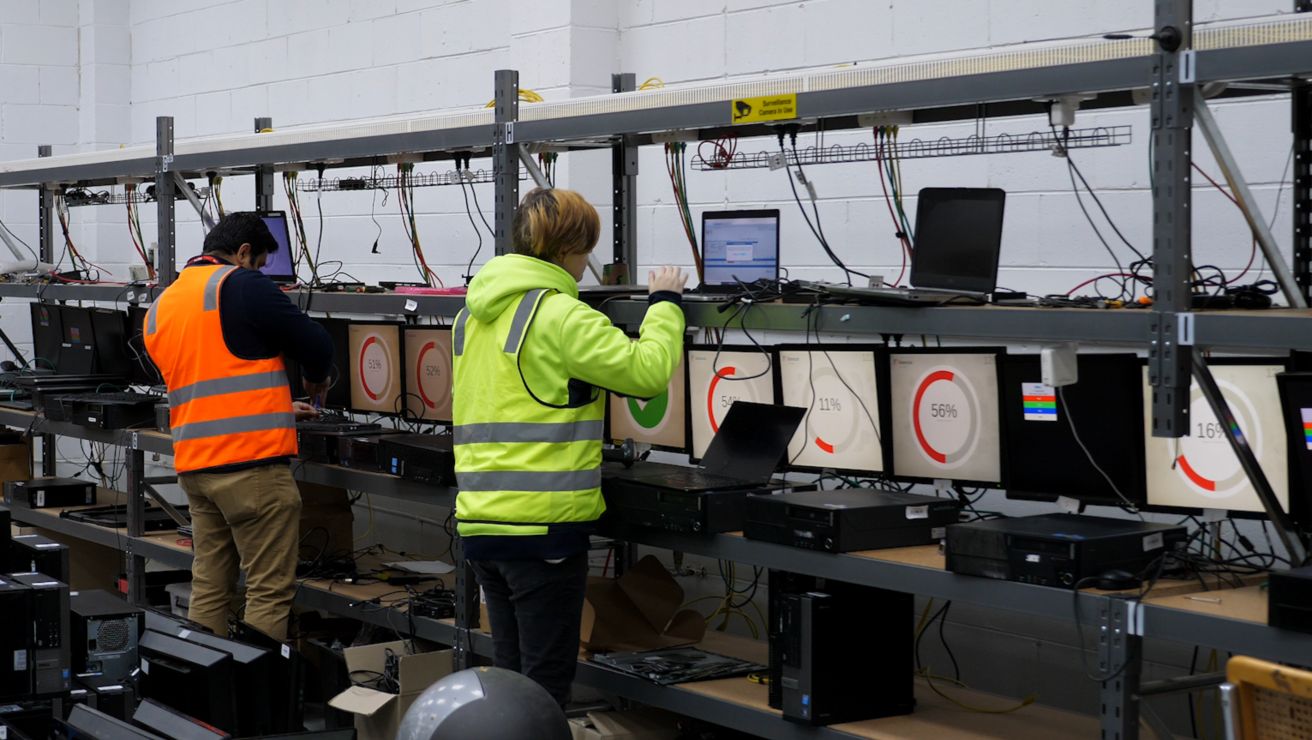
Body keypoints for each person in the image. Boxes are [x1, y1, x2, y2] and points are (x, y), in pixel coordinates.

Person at [452, 188, 688, 705]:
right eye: (586, 251)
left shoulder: (471, 315)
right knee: (545, 688)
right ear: (565, 249)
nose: (586, 264)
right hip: (544, 533)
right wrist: (665, 305)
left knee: (511, 685)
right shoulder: (561, 315)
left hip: (482, 524)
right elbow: (647, 372)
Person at [144, 212, 334, 640]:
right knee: (268, 591)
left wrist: (277, 405)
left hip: (196, 468)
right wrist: (316, 379)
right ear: (244, 253)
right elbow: (317, 344)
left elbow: (211, 375)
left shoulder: (163, 304)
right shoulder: (241, 284)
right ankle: (258, 684)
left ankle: (205, 680)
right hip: (252, 469)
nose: (262, 272)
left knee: (210, 586)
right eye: (262, 263)